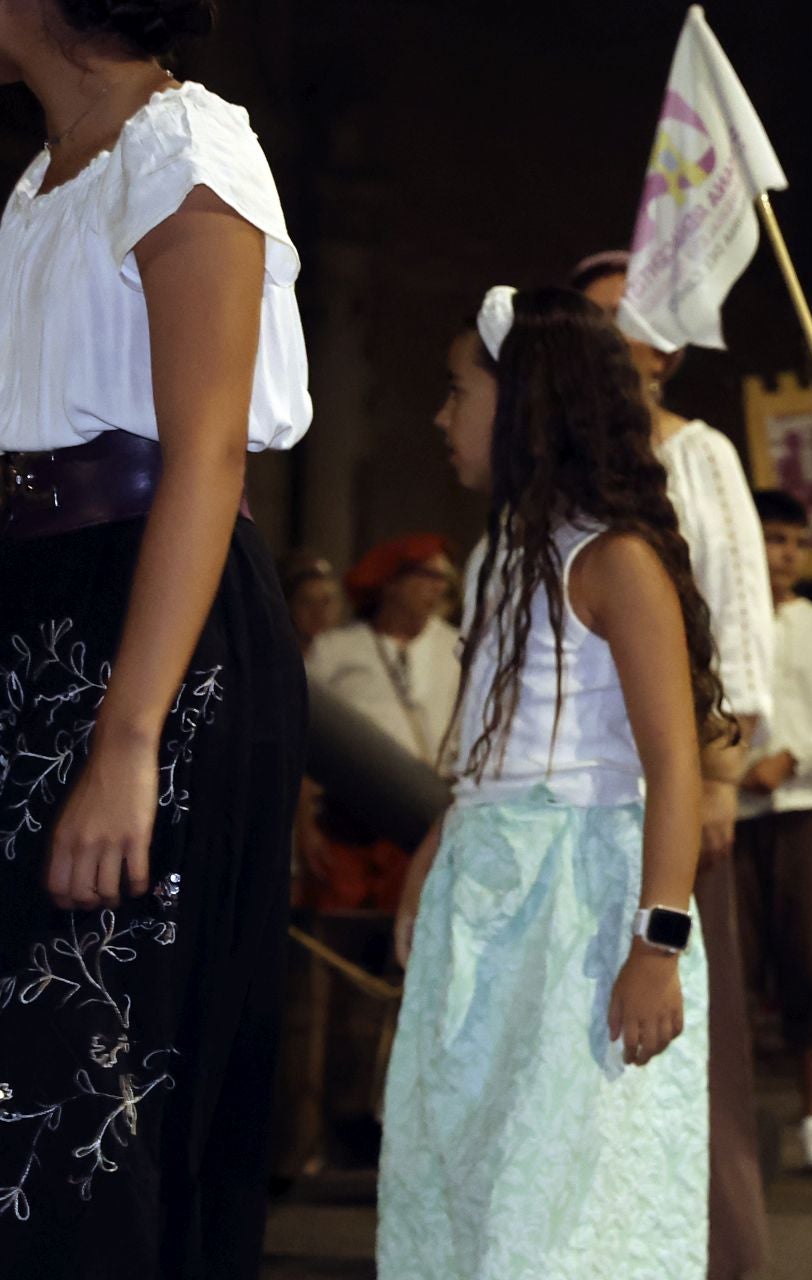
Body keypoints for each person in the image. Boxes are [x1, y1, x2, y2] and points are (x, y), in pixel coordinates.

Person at [0, 4, 310, 1273]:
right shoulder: (41, 180)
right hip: (37, 614)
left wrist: (128, 738)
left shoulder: (184, 140)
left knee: (108, 1065)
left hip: (148, 632)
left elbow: (206, 453)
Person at [379, 286, 720, 1274]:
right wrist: (434, 854)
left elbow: (674, 762)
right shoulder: (498, 556)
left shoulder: (616, 560)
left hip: (577, 902)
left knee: (565, 1182)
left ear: (527, 401)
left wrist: (657, 939)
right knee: (467, 1169)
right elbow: (486, 752)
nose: (443, 417)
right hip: (485, 896)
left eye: (457, 392)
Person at [572, 251, 772, 1276]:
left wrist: (725, 773)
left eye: (626, 319)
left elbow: (734, 620)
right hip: (571, 811)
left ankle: (710, 1251)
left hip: (678, 786)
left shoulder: (701, 458)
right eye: (591, 319)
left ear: (670, 343)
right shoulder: (555, 467)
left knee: (691, 1043)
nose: (610, 339)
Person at [735, 489, 812, 1175]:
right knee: (736, 970)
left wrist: (792, 759)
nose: (781, 554)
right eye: (769, 537)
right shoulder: (719, 622)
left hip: (811, 808)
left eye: (791, 541)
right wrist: (742, 767)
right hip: (735, 812)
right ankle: (736, 1122)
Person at [307, 534, 462, 764]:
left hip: (442, 789)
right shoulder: (335, 648)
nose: (439, 587)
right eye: (428, 575)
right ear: (391, 582)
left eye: (443, 578)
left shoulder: (459, 647)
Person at [281, 551, 344, 655]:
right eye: (307, 602)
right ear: (289, 605)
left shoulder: (350, 657)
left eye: (326, 602)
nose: (318, 612)